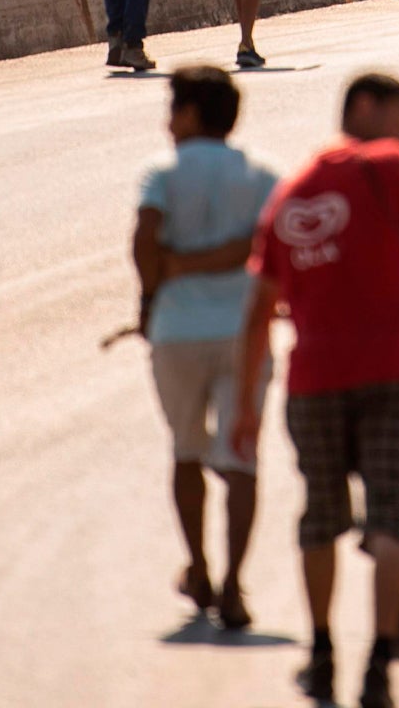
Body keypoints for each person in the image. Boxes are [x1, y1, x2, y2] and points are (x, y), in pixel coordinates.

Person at [232, 72, 399, 708]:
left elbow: (259, 309)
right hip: (396, 370)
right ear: (367, 107)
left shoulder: (289, 194)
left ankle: (323, 652)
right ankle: (381, 664)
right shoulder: (388, 164)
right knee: (394, 516)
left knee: (321, 516)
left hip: (315, 382)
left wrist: (246, 405)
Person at [132, 66, 278, 631]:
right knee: (242, 456)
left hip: (177, 332)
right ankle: (236, 583)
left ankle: (198, 566)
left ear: (190, 114)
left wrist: (157, 287)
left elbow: (145, 240)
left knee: (186, 452)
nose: (167, 121)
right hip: (245, 331)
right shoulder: (262, 175)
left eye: (173, 108)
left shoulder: (161, 173)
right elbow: (267, 245)